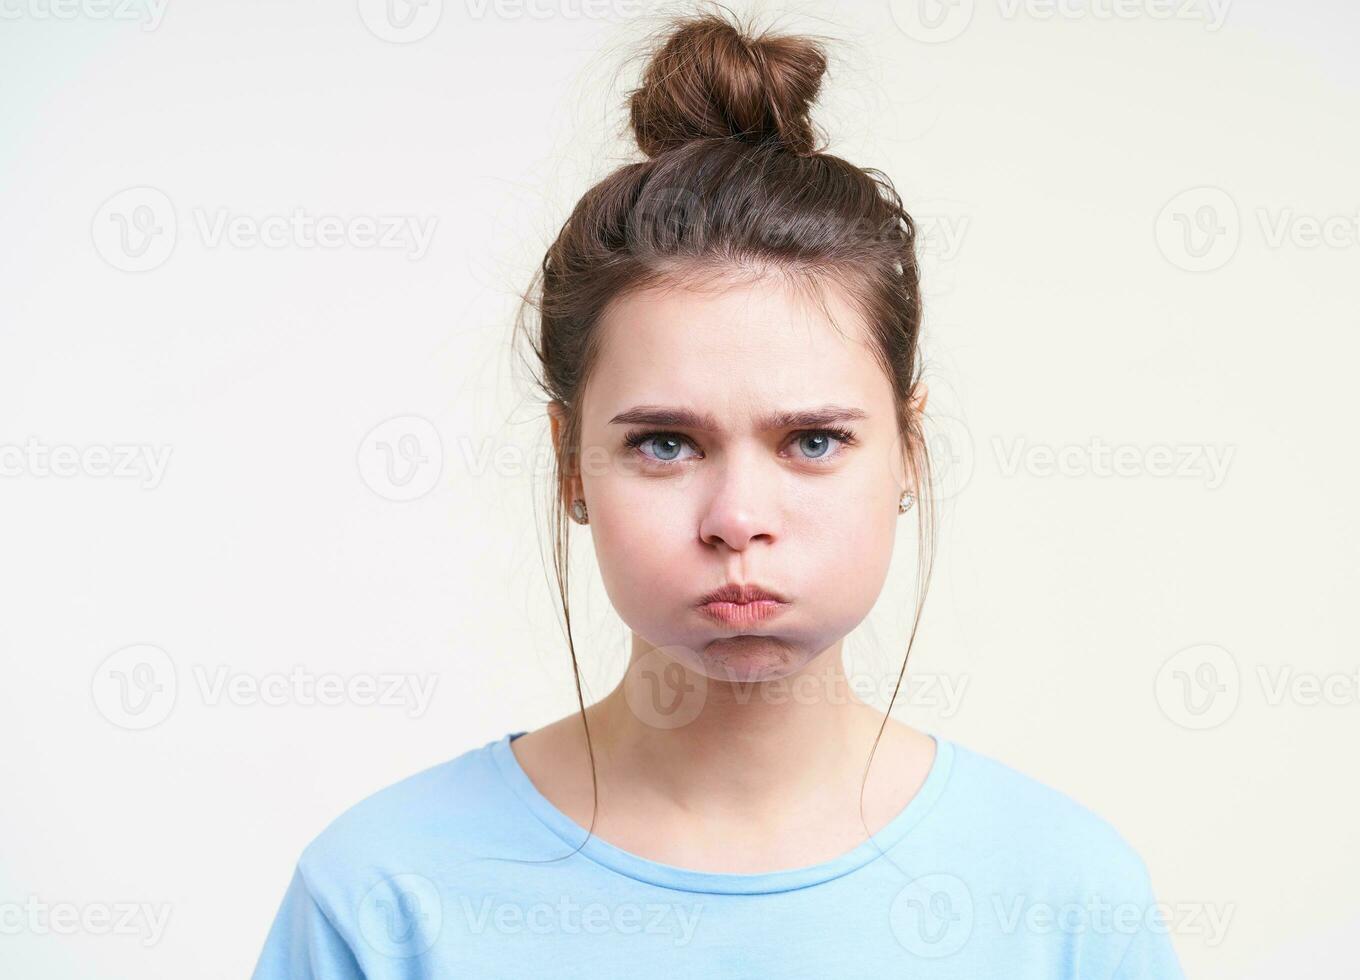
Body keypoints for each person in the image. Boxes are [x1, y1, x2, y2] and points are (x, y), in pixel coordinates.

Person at [251, 9, 1188, 978]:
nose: (738, 518)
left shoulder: (1065, 902)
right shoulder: (380, 898)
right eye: (665, 443)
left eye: (813, 440)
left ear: (908, 449)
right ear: (570, 461)